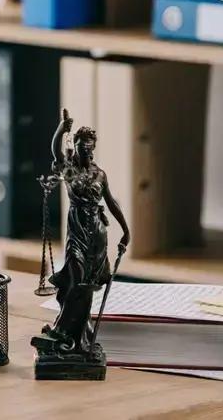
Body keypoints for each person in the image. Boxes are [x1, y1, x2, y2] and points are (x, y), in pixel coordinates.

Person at [39, 108, 130, 355]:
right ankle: (63, 330)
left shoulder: (100, 174)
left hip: (98, 234)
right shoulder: (71, 171)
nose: (87, 151)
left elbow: (111, 203)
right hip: (77, 231)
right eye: (82, 147)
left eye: (90, 147)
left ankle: (78, 333)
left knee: (88, 284)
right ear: (76, 146)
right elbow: (56, 151)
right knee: (76, 278)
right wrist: (62, 128)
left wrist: (125, 230)